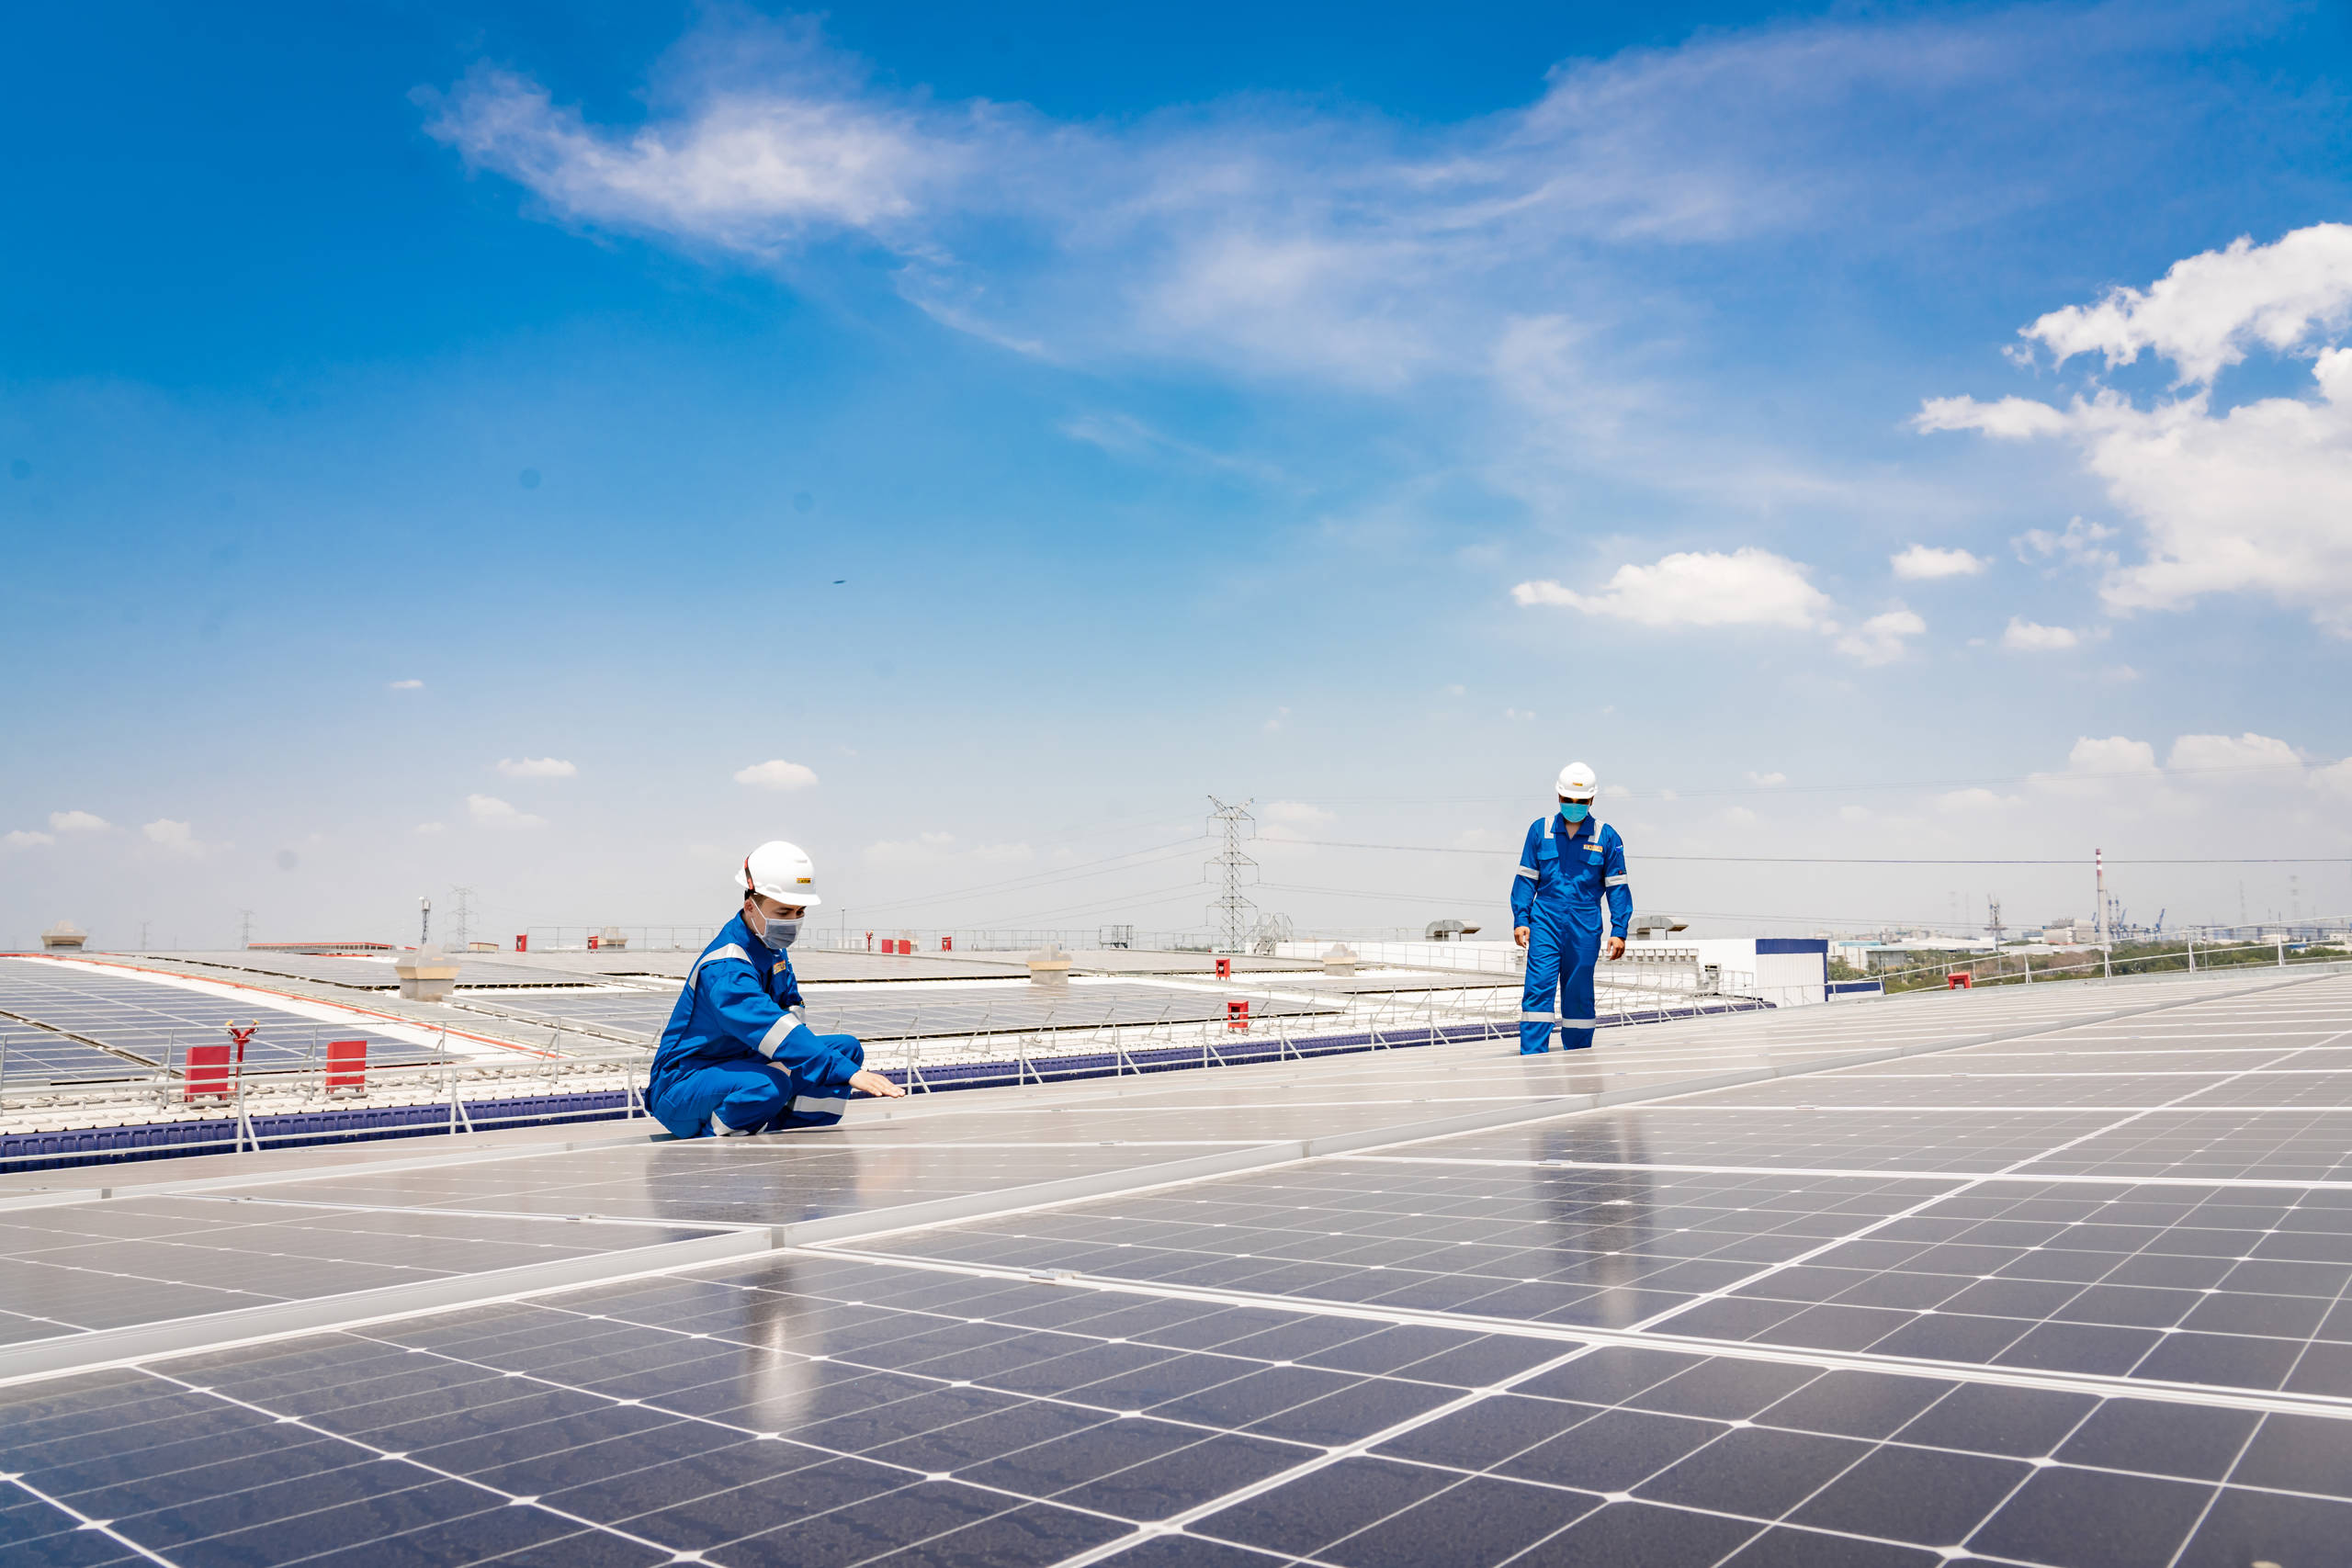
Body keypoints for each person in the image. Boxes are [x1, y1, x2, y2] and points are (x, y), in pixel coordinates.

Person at [645, 840, 905, 1137]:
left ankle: (794, 1135)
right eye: (783, 912)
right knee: (771, 1084)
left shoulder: (771, 950)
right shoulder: (726, 968)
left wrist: (824, 1063)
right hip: (685, 1085)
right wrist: (847, 1073)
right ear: (750, 907)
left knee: (845, 1049)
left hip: (740, 1063)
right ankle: (712, 1140)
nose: (793, 922)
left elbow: (791, 1012)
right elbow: (769, 1025)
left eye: (799, 912)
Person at [1510, 762, 1632, 1054]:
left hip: (1585, 925)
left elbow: (1617, 887)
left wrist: (1620, 929)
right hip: (1545, 922)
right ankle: (1533, 1056)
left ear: (1591, 800)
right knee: (1538, 988)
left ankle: (1578, 1057)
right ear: (1558, 797)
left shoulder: (1607, 836)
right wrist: (1521, 918)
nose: (1573, 806)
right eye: (1568, 800)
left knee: (1578, 993)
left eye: (1580, 801)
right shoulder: (1539, 830)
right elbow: (1526, 879)